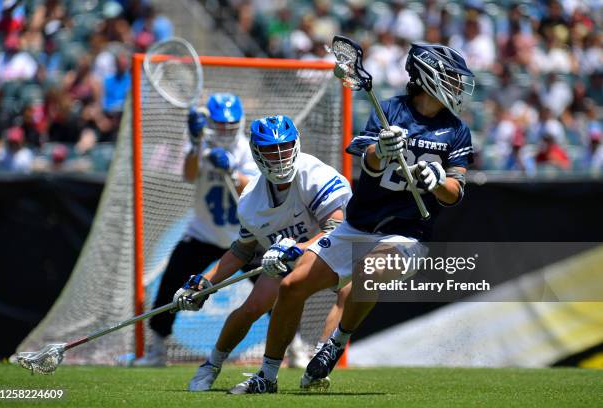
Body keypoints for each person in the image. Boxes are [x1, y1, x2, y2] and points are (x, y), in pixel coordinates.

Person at [227, 42, 475, 394]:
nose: (456, 86)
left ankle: (336, 342)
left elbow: (456, 191)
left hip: (408, 234)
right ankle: (266, 377)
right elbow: (368, 162)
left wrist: (437, 183)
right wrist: (382, 150)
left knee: (368, 270)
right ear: (428, 76)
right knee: (291, 286)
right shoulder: (389, 111)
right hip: (358, 225)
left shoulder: (456, 130)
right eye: (451, 78)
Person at [173, 115, 352, 392]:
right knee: (253, 307)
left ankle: (320, 361)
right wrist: (203, 282)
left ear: (296, 145)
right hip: (291, 260)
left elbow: (335, 228)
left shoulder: (315, 174)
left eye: (285, 147)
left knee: (352, 288)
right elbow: (241, 251)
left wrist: (296, 247)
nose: (279, 156)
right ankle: (212, 365)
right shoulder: (250, 200)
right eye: (270, 149)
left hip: (334, 252)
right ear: (257, 152)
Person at [132, 93, 258, 367]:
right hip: (203, 234)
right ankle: (157, 349)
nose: (225, 130)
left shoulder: (248, 150)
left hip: (244, 237)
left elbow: (253, 188)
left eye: (230, 125)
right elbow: (189, 175)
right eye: (220, 124)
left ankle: (293, 345)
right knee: (169, 287)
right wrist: (194, 144)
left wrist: (231, 172)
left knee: (274, 288)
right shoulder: (202, 144)